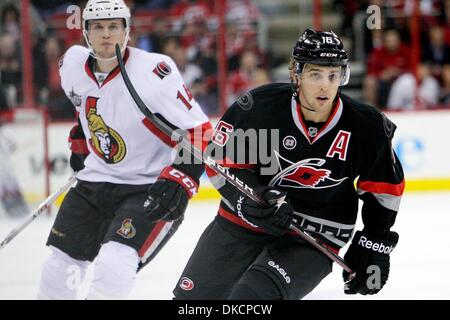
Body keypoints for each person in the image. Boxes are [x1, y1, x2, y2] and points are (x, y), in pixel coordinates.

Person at [173, 28, 405, 300]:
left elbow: (385, 188)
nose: (325, 85)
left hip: (315, 234)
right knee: (191, 303)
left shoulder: (366, 126)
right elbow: (222, 164)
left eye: (334, 75)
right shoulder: (261, 108)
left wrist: (374, 245)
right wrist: (249, 199)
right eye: (315, 74)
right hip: (248, 220)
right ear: (296, 74)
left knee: (251, 298)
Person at [38, 0, 211, 300]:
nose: (107, 34)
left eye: (114, 27)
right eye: (99, 27)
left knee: (114, 264)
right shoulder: (72, 65)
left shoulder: (154, 71)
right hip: (94, 183)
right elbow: (85, 110)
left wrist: (182, 178)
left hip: (147, 188)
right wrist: (81, 145)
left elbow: (199, 131)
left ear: (127, 31)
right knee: (59, 268)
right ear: (86, 33)